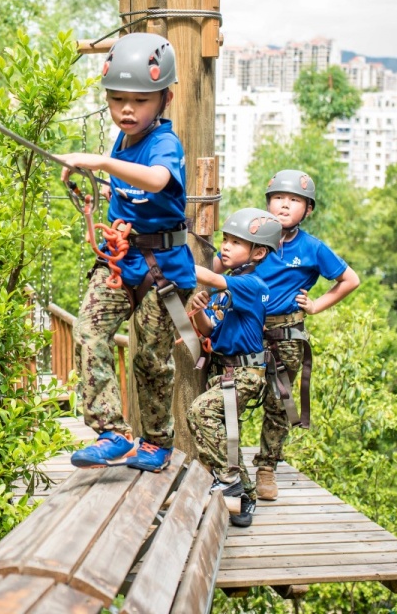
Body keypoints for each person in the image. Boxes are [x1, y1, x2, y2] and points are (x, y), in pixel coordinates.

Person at [58, 32, 197, 473]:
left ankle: (156, 442)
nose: (126, 110)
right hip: (121, 260)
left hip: (163, 268)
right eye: (117, 99)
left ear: (165, 99)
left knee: (150, 359)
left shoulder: (164, 144)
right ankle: (111, 432)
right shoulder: (122, 140)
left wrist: (98, 163)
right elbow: (122, 174)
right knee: (89, 329)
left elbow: (156, 180)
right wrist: (90, 168)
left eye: (139, 100)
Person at [248, 170, 360, 501]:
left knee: (279, 402)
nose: (284, 205)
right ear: (268, 203)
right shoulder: (250, 234)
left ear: (307, 210)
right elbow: (218, 266)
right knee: (229, 392)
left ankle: (266, 468)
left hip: (286, 334)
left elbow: (349, 279)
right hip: (246, 326)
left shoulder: (311, 248)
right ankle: (225, 465)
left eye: (294, 200)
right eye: (278, 198)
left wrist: (316, 306)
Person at [187, 208, 284, 528]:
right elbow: (210, 332)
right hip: (228, 370)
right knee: (227, 435)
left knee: (201, 412)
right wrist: (200, 311)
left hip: (245, 373)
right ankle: (246, 497)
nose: (225, 246)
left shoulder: (251, 283)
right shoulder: (231, 290)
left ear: (257, 253)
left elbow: (212, 277)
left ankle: (228, 480)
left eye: (235, 242)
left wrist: (174, 261)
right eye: (225, 240)